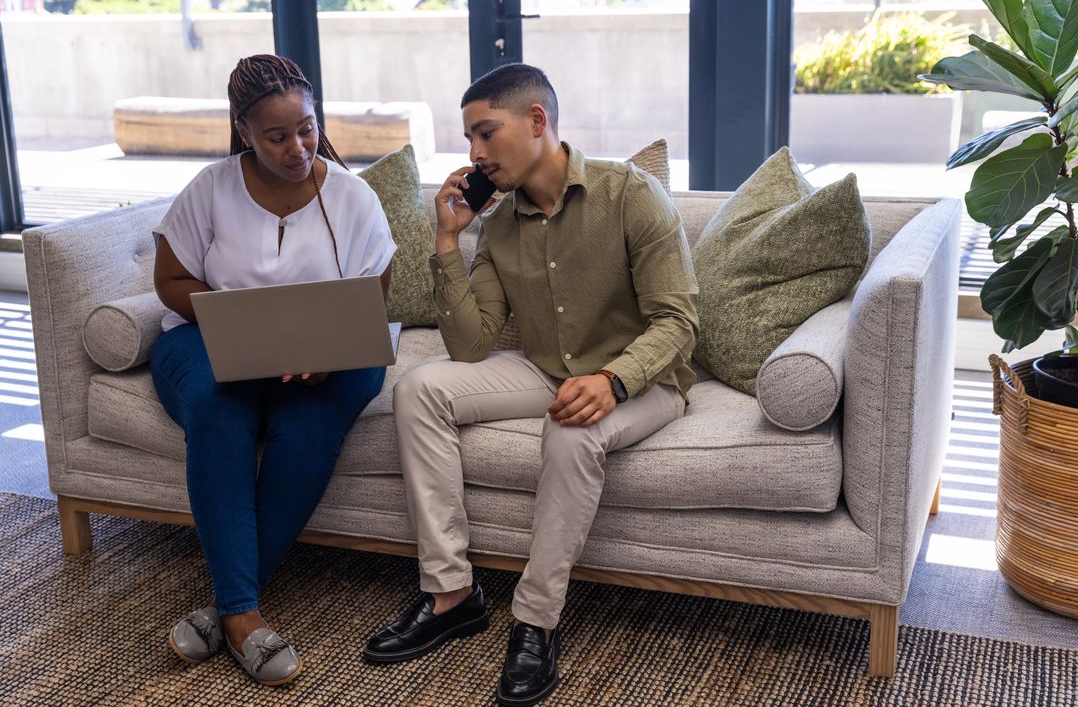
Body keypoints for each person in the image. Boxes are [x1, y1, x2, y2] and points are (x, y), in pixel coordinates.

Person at [364, 63, 698, 706]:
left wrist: (614, 380)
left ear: (537, 121)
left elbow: (678, 322)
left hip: (646, 377)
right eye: (470, 140)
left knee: (572, 434)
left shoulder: (630, 194)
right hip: (545, 367)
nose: (475, 154)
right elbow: (470, 344)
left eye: (486, 134)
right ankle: (452, 594)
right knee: (420, 389)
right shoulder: (497, 225)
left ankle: (535, 623)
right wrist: (446, 238)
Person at [150, 54, 395, 686]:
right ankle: (245, 619)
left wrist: (327, 349)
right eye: (277, 136)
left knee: (311, 425)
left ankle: (229, 609)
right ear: (244, 133)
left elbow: (373, 295)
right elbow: (170, 280)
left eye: (307, 129)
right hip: (208, 343)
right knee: (217, 407)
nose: (298, 147)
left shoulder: (352, 197)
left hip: (330, 354)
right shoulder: (210, 188)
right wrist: (239, 326)